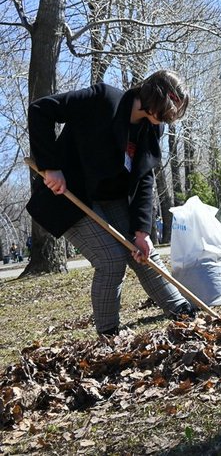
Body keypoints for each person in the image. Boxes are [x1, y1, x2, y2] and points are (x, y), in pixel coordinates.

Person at [26, 70, 196, 336]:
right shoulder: (103, 99)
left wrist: (142, 231)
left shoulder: (152, 128)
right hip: (69, 195)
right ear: (155, 97)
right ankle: (109, 335)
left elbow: (143, 179)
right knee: (110, 260)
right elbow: (40, 110)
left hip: (112, 197)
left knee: (144, 253)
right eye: (166, 111)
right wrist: (50, 167)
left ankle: (182, 312)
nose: (165, 120)